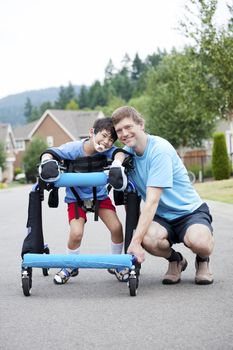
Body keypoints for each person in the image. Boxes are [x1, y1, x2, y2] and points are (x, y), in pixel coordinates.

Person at [110, 106, 214, 285]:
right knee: (148, 239)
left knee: (199, 242)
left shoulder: (159, 150)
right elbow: (117, 154)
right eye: (119, 130)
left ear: (141, 124)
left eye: (128, 127)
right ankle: (176, 260)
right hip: (162, 217)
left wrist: (134, 243)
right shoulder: (128, 154)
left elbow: (151, 201)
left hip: (189, 212)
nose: (124, 133)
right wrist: (116, 162)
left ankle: (202, 260)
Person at [39, 117, 128, 284]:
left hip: (99, 197)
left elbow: (120, 153)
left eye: (111, 139)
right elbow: (50, 152)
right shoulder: (73, 148)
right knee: (76, 233)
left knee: (117, 227)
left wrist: (117, 163)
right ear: (92, 132)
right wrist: (47, 161)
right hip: (76, 198)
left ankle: (116, 263)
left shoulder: (108, 150)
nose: (106, 142)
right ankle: (70, 265)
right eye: (104, 135)